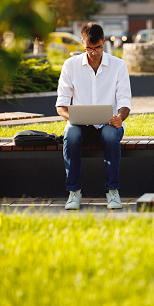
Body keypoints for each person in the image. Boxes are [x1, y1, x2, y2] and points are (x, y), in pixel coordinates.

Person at [56, 22, 132, 210]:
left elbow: (124, 102)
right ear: (82, 43)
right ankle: (74, 193)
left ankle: (112, 191)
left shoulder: (118, 66)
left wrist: (120, 118)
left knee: (109, 134)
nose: (94, 52)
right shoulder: (70, 65)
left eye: (97, 47)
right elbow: (61, 105)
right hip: (79, 125)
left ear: (104, 41)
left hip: (109, 124)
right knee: (71, 134)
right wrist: (72, 117)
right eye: (89, 48)